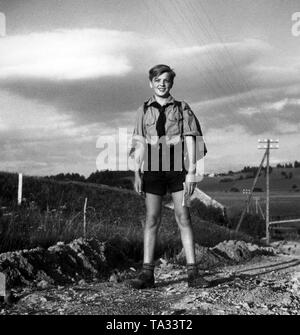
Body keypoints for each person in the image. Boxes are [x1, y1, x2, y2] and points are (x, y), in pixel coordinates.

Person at [129, 64, 209, 289]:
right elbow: (139, 142)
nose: (161, 84)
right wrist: (136, 172)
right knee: (152, 219)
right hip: (152, 170)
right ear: (150, 83)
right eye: (157, 80)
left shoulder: (183, 108)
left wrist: (192, 171)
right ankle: (147, 274)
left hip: (178, 170)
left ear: (171, 83)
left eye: (166, 80)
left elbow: (191, 139)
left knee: (183, 217)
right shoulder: (143, 110)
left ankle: (193, 274)